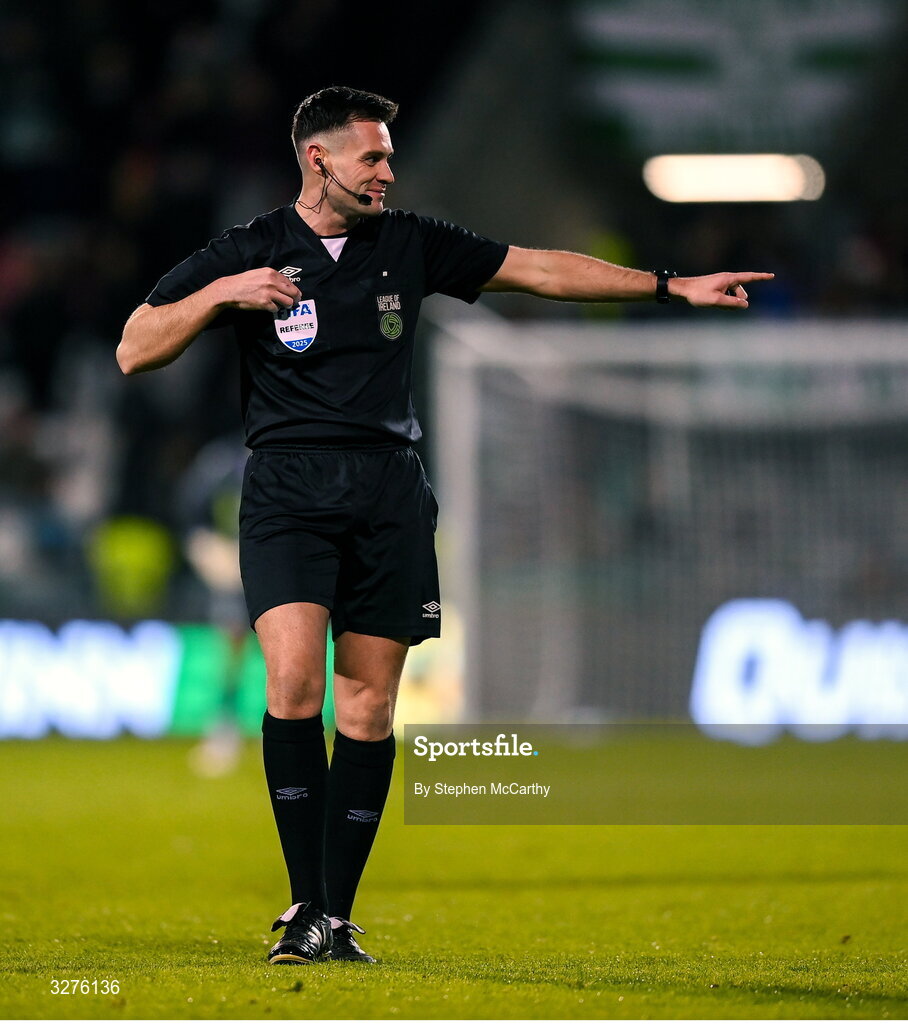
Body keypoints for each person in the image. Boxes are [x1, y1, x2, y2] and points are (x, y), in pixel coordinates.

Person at [116, 85, 773, 965]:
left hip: (388, 490)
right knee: (295, 686)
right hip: (287, 489)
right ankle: (305, 901)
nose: (389, 170)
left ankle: (331, 917)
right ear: (319, 159)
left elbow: (538, 267)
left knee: (369, 705)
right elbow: (134, 346)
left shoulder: (412, 244)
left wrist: (667, 286)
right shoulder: (249, 252)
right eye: (372, 156)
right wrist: (220, 295)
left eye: (389, 156)